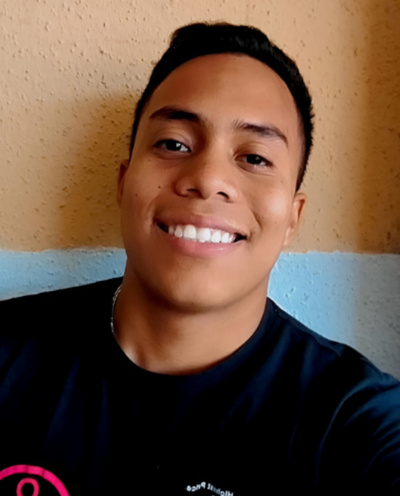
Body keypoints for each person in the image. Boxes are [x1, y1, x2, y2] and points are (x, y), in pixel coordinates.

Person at [1, 22, 399, 495]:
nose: (208, 179)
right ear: (123, 183)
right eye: (174, 144)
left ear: (293, 217)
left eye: (254, 158)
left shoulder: (354, 420)